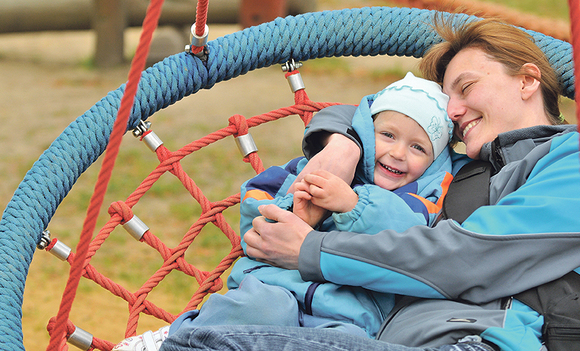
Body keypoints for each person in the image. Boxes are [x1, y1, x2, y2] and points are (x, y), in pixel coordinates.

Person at [157, 15, 580, 351]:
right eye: (448, 101)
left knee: (204, 343)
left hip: (474, 342)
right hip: (385, 337)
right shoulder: (453, 172)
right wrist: (343, 142)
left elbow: (473, 258)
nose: (455, 110)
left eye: (467, 88)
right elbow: (389, 116)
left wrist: (310, 250)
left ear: (527, 80)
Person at [112, 72, 454, 350]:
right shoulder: (318, 167)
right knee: (262, 310)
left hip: (346, 313)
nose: (397, 153)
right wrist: (293, 209)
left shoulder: (419, 204)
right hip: (276, 286)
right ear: (367, 132)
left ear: (433, 164)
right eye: (388, 135)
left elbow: (407, 241)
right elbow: (254, 207)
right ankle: (176, 341)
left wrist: (353, 204)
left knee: (345, 344)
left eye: (417, 147)